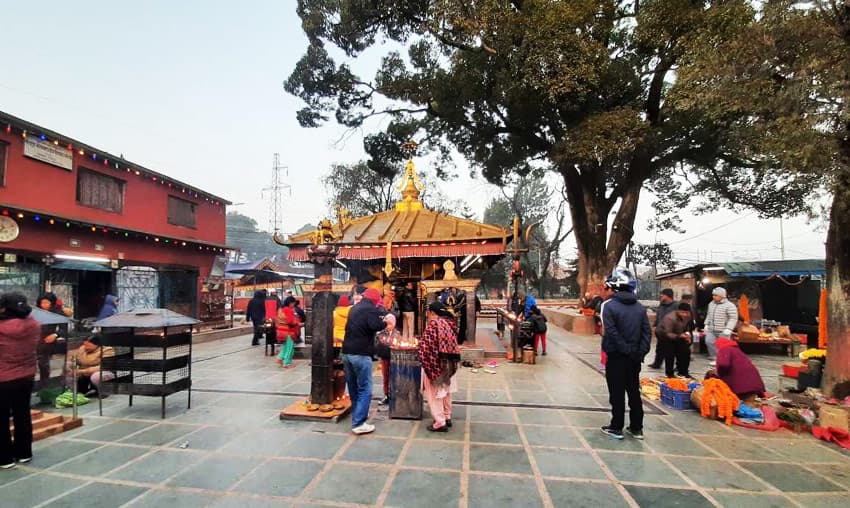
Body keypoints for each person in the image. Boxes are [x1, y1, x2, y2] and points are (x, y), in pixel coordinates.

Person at [599, 268, 651, 440]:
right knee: (634, 392)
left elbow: (611, 332)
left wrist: (625, 349)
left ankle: (616, 427)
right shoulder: (640, 307)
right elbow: (647, 333)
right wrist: (640, 352)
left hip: (616, 356)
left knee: (617, 392)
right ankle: (637, 428)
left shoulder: (608, 306)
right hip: (635, 358)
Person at [0, 292, 41, 469]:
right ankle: (24, 453)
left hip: (3, 378)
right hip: (26, 375)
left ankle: (4, 458)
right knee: (22, 414)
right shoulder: (34, 324)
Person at [343, 288, 387, 435]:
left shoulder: (354, 308)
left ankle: (358, 414)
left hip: (347, 353)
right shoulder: (370, 309)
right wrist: (386, 320)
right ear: (375, 300)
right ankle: (359, 423)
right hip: (361, 354)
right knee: (365, 389)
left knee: (353, 387)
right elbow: (377, 326)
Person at [418, 301, 460, 432]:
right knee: (446, 392)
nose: (427, 315)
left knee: (434, 393)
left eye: (428, 313)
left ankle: (440, 422)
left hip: (436, 365)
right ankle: (447, 417)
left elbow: (425, 348)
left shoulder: (434, 324)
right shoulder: (451, 323)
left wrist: (419, 349)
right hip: (450, 365)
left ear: (432, 312)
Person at [709, 337, 766, 403]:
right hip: (753, 383)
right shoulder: (736, 349)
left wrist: (719, 373)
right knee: (750, 402)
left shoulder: (724, 349)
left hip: (741, 386)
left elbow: (723, 364)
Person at [656, 302, 694, 378]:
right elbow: (668, 333)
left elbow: (688, 326)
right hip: (664, 336)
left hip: (679, 334)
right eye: (682, 312)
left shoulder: (689, 315)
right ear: (678, 311)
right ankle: (670, 374)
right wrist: (680, 336)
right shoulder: (670, 318)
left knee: (685, 352)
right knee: (670, 354)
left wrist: (688, 335)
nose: (685, 315)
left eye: (686, 313)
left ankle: (683, 372)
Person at [704, 287, 738, 365]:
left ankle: (725, 360)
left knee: (724, 346)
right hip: (712, 329)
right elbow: (708, 315)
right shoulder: (711, 304)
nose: (713, 297)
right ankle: (715, 358)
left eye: (716, 295)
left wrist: (729, 328)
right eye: (713, 295)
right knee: (709, 342)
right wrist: (706, 324)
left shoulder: (730, 306)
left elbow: (733, 318)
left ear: (722, 296)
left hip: (723, 330)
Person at [375, 313, 402, 406]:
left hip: (394, 358)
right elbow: (379, 343)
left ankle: (394, 394)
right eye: (386, 324)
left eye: (390, 324)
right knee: (385, 377)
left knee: (394, 376)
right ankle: (386, 395)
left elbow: (397, 343)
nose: (388, 326)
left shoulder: (397, 333)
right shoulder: (381, 333)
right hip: (385, 357)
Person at [649, 288, 678, 369]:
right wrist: (655, 325)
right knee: (659, 349)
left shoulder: (676, 306)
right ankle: (657, 363)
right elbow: (658, 316)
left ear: (668, 296)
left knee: (673, 350)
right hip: (661, 332)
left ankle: (677, 366)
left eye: (662, 294)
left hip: (671, 331)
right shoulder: (661, 305)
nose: (660, 296)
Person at [276, 296, 301, 368]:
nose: (294, 305)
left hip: (281, 330)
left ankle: (280, 359)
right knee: (290, 347)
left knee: (286, 346)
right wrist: (297, 323)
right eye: (293, 303)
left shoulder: (281, 309)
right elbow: (290, 321)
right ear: (290, 303)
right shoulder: (289, 310)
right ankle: (286, 363)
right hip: (288, 331)